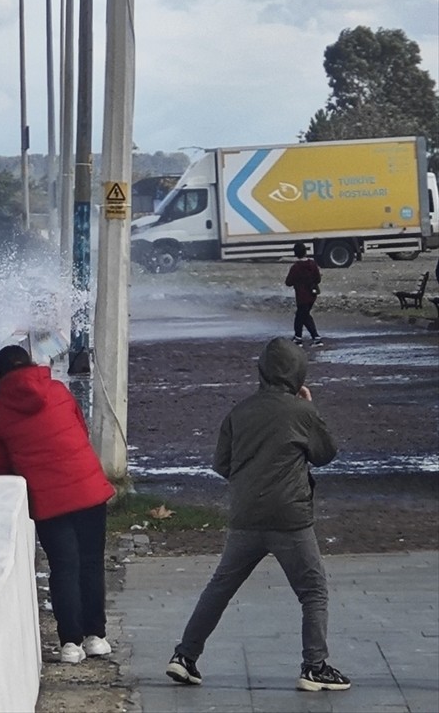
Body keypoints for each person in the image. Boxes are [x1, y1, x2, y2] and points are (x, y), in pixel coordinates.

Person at [165, 336, 350, 692]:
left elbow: (222, 464)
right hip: (290, 518)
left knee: (220, 588)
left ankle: (185, 656)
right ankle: (314, 667)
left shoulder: (239, 413)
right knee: (312, 591)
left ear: (262, 370)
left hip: (245, 516)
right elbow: (325, 453)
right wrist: (308, 407)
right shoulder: (302, 412)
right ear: (298, 374)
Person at [0, 344, 116, 664]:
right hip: (87, 488)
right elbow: (80, 430)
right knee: (91, 562)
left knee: (64, 567)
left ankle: (70, 644)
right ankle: (96, 637)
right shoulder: (57, 391)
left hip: (48, 498)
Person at [285, 242, 323, 346]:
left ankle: (302, 338)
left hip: (301, 296)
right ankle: (312, 338)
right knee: (304, 315)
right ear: (305, 252)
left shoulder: (295, 267)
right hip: (312, 295)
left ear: (295, 254)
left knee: (301, 316)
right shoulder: (313, 264)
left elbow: (288, 282)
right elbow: (318, 279)